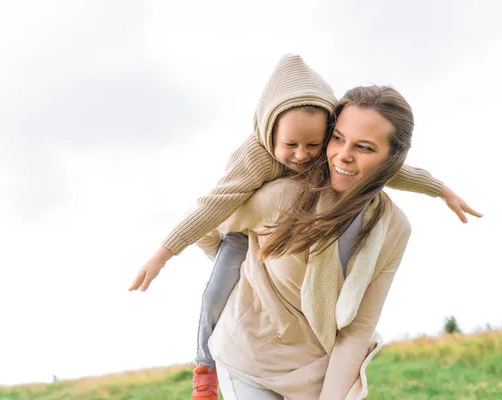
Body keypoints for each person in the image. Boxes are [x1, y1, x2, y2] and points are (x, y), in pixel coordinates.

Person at [129, 55, 481, 400]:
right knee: (215, 291)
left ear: (391, 158)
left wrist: (441, 190)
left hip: (315, 369)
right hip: (249, 357)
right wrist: (235, 270)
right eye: (338, 139)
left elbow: (356, 331)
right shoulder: (275, 189)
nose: (340, 155)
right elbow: (213, 214)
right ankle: (203, 369)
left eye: (363, 147)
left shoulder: (392, 228)